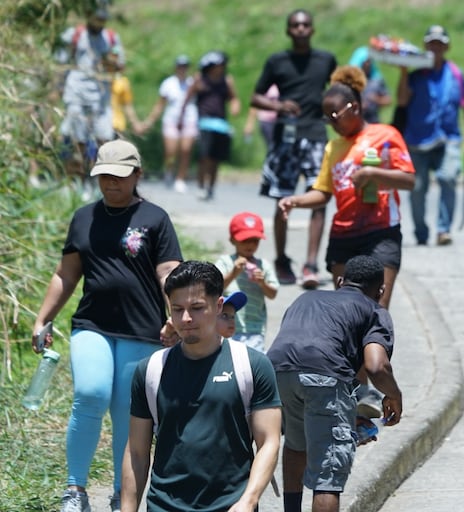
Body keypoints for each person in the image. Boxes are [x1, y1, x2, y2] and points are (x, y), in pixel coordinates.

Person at [30, 139, 182, 512]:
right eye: (104, 177)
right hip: (91, 324)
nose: (110, 183)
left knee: (126, 413)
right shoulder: (84, 217)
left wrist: (176, 315)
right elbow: (66, 274)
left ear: (137, 175)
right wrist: (43, 318)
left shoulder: (155, 219)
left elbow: (168, 272)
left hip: (142, 329)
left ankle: (121, 495)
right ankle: (75, 490)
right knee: (90, 393)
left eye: (118, 176)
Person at [121, 261, 282, 512]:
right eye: (177, 309)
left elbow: (269, 441)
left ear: (218, 306)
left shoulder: (252, 365)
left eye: (196, 308)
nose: (186, 319)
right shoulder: (150, 370)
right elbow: (136, 453)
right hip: (164, 506)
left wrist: (248, 501)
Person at [266, 255, 403, 512]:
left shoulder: (305, 298)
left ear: (340, 281)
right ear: (380, 290)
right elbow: (376, 366)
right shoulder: (375, 310)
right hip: (325, 375)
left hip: (276, 372)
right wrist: (394, 395)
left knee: (296, 443)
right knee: (328, 473)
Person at [277, 65, 415, 310]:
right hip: (343, 235)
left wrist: (373, 173)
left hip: (381, 232)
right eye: (326, 117)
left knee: (377, 313)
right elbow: (323, 193)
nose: (331, 122)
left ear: (355, 107)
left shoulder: (385, 135)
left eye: (335, 115)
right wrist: (295, 201)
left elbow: (408, 180)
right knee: (346, 315)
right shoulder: (333, 147)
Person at [250, 9, 337, 288]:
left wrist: (332, 112)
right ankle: (281, 259)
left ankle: (310, 263)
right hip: (285, 137)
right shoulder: (277, 61)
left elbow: (337, 92)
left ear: (312, 29)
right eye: (295, 25)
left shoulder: (326, 60)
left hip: (315, 135)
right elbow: (255, 97)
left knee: (320, 197)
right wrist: (278, 106)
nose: (300, 29)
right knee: (282, 199)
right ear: (288, 31)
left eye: (305, 25)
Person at [397, 24, 464, 246]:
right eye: (431, 43)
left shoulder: (455, 74)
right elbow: (402, 101)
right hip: (417, 139)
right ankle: (421, 232)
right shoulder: (416, 74)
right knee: (417, 188)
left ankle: (443, 229)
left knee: (448, 177)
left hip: (448, 137)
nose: (435, 48)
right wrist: (404, 72)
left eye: (440, 44)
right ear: (425, 46)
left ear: (447, 47)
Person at [56, 8, 124, 180]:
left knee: (104, 138)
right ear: (89, 17)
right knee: (77, 140)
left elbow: (119, 65)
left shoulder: (110, 39)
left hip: (100, 96)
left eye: (102, 20)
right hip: (76, 91)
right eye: (97, 19)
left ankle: (98, 180)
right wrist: (57, 86)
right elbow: (61, 62)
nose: (99, 24)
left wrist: (110, 62)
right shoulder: (75, 35)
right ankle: (77, 180)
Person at [179, 50, 241, 201]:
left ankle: (211, 187)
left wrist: (235, 106)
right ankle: (201, 186)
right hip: (204, 123)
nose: (220, 68)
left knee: (215, 159)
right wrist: (181, 117)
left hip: (220, 124)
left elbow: (233, 98)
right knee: (204, 157)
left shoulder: (226, 80)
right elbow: (187, 98)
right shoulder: (200, 80)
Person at [215, 211, 279, 353]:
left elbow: (273, 293)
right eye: (245, 240)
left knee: (252, 364)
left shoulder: (263, 265)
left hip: (255, 327)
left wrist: (262, 283)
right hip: (226, 325)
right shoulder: (225, 262)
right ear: (232, 240)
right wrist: (233, 273)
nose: (250, 245)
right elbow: (215, 288)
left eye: (255, 240)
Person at [139, 54, 199, 194]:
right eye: (180, 66)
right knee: (171, 151)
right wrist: (149, 121)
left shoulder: (192, 83)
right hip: (172, 119)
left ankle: (180, 178)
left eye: (185, 66)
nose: (182, 69)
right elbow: (160, 105)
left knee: (185, 150)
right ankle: (169, 170)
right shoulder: (168, 84)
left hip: (189, 118)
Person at [103, 49, 141, 139]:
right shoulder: (99, 79)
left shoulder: (123, 82)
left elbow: (127, 105)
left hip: (117, 125)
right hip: (101, 125)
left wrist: (134, 123)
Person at [348, 46, 392, 123]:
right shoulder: (350, 82)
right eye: (365, 62)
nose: (368, 64)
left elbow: (388, 100)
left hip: (373, 121)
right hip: (355, 122)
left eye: (369, 61)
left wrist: (377, 100)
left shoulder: (377, 80)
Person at [244, 84, 280, 150]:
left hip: (280, 121)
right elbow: (255, 103)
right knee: (272, 146)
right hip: (266, 121)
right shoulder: (266, 84)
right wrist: (250, 123)